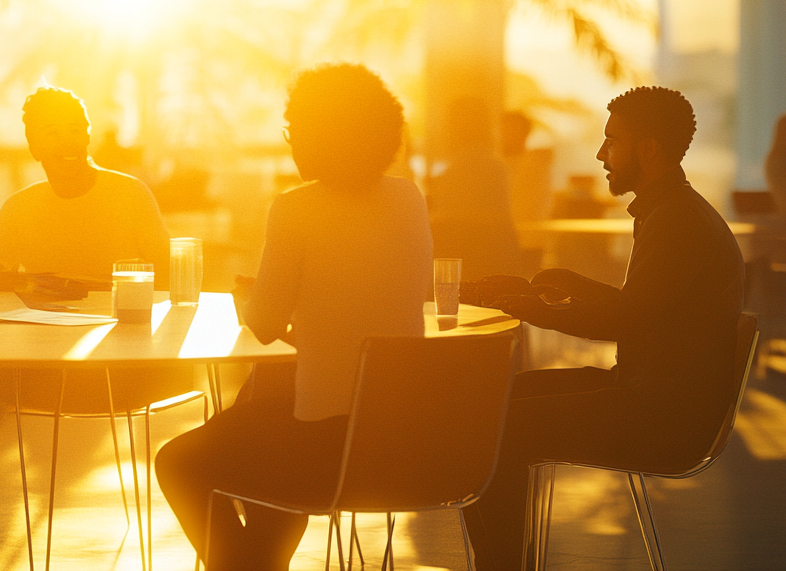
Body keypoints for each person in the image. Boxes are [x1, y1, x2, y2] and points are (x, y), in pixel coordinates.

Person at [155, 64, 432, 570]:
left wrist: (255, 299)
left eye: (295, 130)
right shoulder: (409, 199)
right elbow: (382, 298)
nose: (290, 143)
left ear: (317, 137)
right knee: (262, 410)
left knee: (177, 461)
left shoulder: (294, 208)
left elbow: (262, 326)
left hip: (321, 449)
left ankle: (239, 566)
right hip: (398, 440)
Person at [463, 87, 743, 570]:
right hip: (651, 397)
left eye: (612, 141)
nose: (600, 154)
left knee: (494, 427)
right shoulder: (673, 209)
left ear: (648, 149)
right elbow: (645, 310)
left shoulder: (675, 221)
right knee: (494, 403)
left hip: (662, 419)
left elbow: (630, 319)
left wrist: (533, 308)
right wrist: (574, 287)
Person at [0, 86, 170, 289]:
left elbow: (169, 273)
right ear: (34, 147)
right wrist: (30, 284)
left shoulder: (130, 194)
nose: (66, 142)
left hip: (119, 321)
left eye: (75, 131)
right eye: (52, 133)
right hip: (43, 325)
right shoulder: (21, 208)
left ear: (87, 138)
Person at [427, 96, 524, 276]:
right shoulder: (495, 167)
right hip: (497, 261)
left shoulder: (462, 169)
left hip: (470, 265)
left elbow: (453, 223)